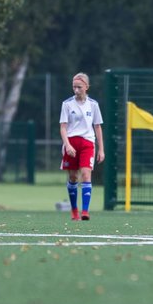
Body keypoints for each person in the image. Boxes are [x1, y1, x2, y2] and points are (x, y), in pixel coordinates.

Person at [59, 72, 105, 221]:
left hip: (87, 143)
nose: (76, 90)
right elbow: (63, 127)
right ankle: (74, 210)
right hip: (71, 143)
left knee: (86, 174)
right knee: (73, 177)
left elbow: (97, 127)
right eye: (74, 87)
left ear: (86, 87)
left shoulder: (93, 105)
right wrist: (67, 145)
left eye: (79, 87)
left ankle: (85, 211)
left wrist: (101, 149)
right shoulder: (67, 104)